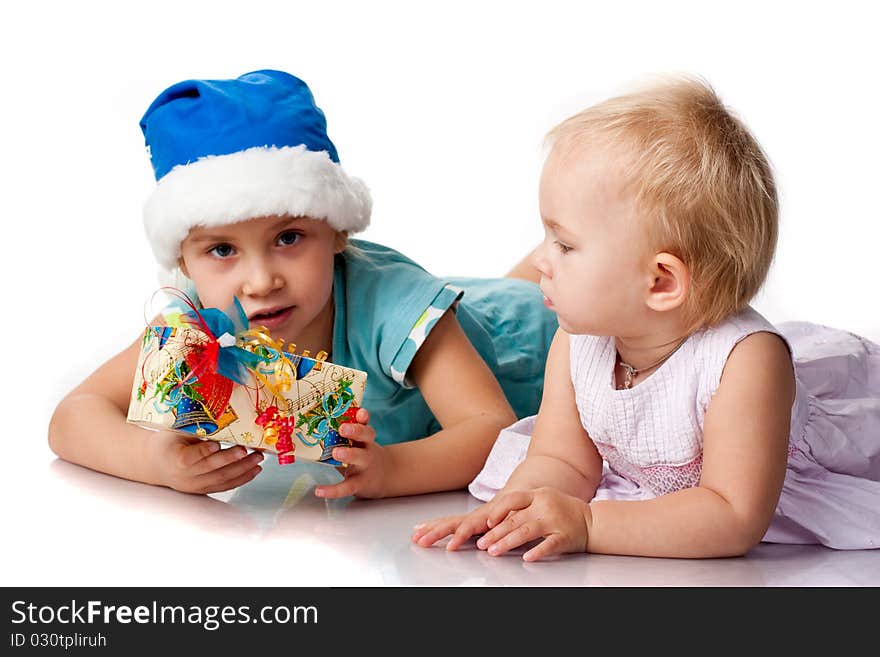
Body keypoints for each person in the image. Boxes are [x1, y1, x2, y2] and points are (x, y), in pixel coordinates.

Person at [412, 76, 880, 560]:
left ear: (660, 282)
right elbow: (562, 460)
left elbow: (731, 514)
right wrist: (515, 513)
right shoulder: (580, 342)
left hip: (789, 461)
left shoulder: (746, 363)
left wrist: (590, 522)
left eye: (565, 244)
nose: (540, 261)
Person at [48, 69, 556, 499]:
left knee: (543, 291)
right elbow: (73, 416)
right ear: (183, 259)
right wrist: (156, 461)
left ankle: (556, 252)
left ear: (336, 231)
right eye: (222, 250)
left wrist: (395, 471)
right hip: (460, 302)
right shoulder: (197, 326)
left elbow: (493, 428)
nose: (261, 280)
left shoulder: (392, 305)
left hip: (527, 341)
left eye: (288, 238)